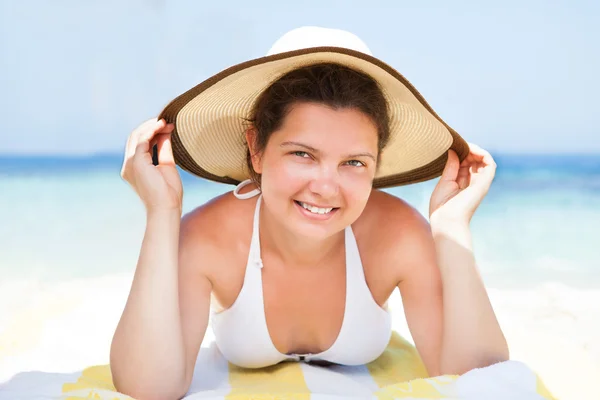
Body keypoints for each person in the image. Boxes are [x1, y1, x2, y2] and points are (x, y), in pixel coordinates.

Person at [109, 27, 508, 400]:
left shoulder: (399, 234)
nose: (326, 187)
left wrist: (451, 228)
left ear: (376, 164)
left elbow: (478, 379)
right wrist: (162, 213)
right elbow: (147, 389)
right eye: (302, 154)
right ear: (257, 148)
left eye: (353, 162)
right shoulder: (208, 237)